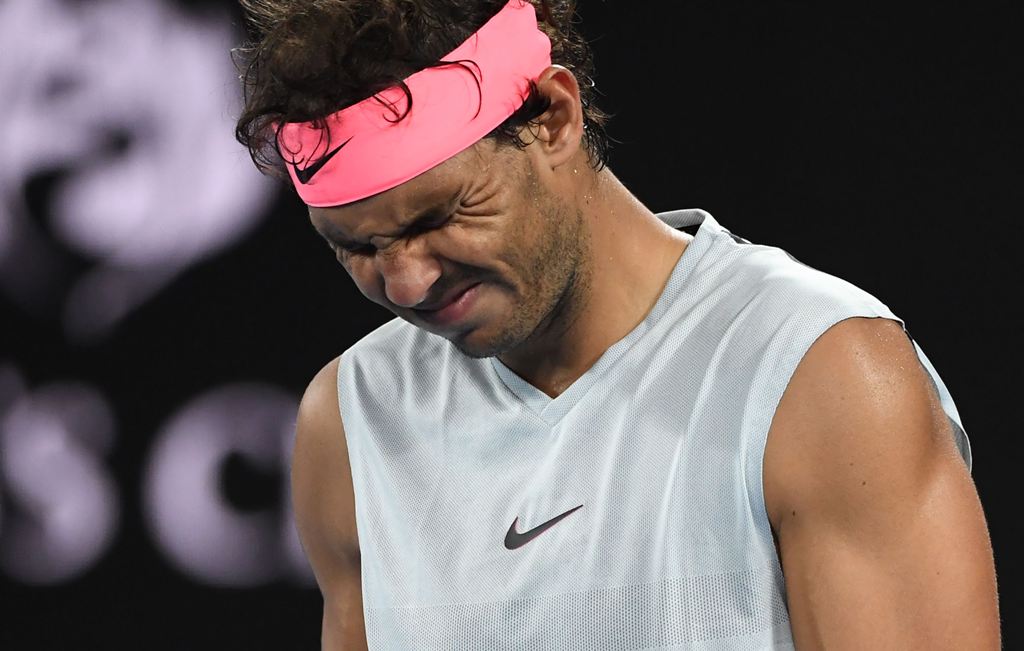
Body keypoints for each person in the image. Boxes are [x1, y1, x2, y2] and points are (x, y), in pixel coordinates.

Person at [234, 1, 1000, 648]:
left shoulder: (817, 371)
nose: (406, 280)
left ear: (553, 119)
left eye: (442, 215)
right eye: (357, 247)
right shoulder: (350, 421)